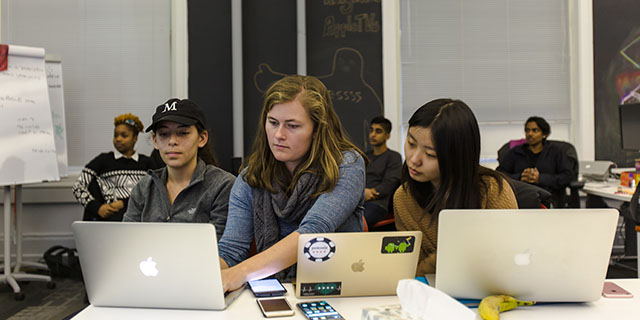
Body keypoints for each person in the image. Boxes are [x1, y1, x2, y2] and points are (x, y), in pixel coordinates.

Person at [218, 75, 366, 292]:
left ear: (317, 129)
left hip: (340, 289)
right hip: (275, 289)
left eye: (293, 126)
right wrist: (207, 276)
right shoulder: (250, 177)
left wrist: (236, 275)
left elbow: (312, 233)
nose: (279, 135)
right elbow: (231, 250)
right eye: (273, 122)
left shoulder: (347, 165)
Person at [393, 99, 518, 276]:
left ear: (457, 156)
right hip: (431, 294)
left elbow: (510, 261)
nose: (414, 159)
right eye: (411, 144)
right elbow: (413, 271)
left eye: (430, 154)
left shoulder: (493, 191)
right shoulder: (404, 197)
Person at [123, 98, 235, 241]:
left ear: (202, 138)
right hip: (150, 263)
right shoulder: (143, 188)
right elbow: (127, 242)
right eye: (164, 134)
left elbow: (222, 251)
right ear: (155, 141)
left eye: (183, 133)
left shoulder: (222, 186)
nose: (172, 141)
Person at [72, 113, 153, 221]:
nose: (118, 139)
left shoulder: (147, 163)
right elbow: (78, 186)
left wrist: (123, 203)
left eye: (124, 135)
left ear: (135, 138)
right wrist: (97, 208)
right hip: (109, 222)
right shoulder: (103, 160)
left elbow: (154, 192)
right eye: (115, 135)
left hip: (140, 221)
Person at [496, 116, 573, 207]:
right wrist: (520, 177)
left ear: (544, 134)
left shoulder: (556, 152)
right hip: (520, 199)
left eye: (535, 130)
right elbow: (500, 174)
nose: (530, 134)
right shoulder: (515, 152)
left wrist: (540, 178)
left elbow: (567, 176)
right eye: (527, 130)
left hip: (549, 199)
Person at [364, 116, 402, 228]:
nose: (373, 134)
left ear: (387, 135)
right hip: (358, 202)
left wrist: (370, 193)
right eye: (371, 130)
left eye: (378, 131)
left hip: (378, 204)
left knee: (359, 225)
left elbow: (391, 182)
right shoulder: (364, 156)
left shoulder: (393, 157)